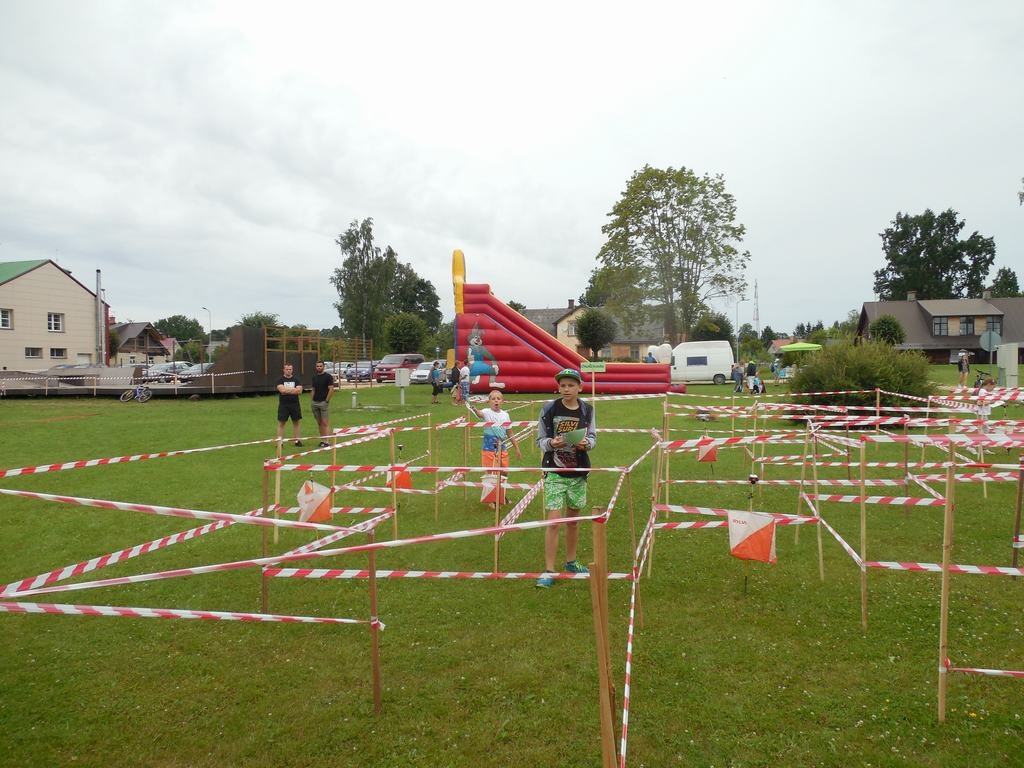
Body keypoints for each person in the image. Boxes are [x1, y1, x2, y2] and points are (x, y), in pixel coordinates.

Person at [535, 368, 597, 588]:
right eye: (563, 385)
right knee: (553, 522)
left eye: (571, 385)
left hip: (578, 473)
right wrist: (552, 444)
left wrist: (586, 443)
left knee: (573, 521)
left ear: (580, 387)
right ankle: (549, 570)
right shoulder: (549, 408)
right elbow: (540, 440)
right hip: (554, 472)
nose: (566, 389)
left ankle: (571, 561)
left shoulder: (587, 410)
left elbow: (593, 437)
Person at [467, 389, 521, 475]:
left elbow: (510, 433)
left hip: (502, 448)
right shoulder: (486, 412)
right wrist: (475, 410)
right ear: (489, 402)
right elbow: (480, 414)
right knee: (490, 475)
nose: (496, 400)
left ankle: (502, 488)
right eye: (493, 398)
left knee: (504, 473)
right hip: (488, 449)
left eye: (498, 398)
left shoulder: (505, 415)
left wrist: (517, 448)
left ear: (502, 401)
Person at [276, 363, 304, 447]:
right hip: (283, 405)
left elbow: (299, 391)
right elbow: (282, 391)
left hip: (295, 404)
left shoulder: (296, 380)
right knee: (281, 423)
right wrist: (293, 390)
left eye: (290, 369)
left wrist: (287, 390)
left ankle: (297, 441)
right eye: (287, 369)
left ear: (292, 370)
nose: (288, 371)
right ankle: (279, 443)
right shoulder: (280, 380)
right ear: (284, 370)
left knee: (296, 422)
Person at [310, 360, 334, 448]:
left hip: (323, 403)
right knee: (319, 422)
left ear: (323, 367)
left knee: (325, 422)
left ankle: (327, 441)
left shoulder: (328, 377)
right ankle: (322, 440)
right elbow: (313, 390)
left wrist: (326, 401)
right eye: (317, 366)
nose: (319, 367)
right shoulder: (314, 377)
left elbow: (331, 389)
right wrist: (312, 401)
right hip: (315, 403)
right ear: (316, 367)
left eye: (320, 366)